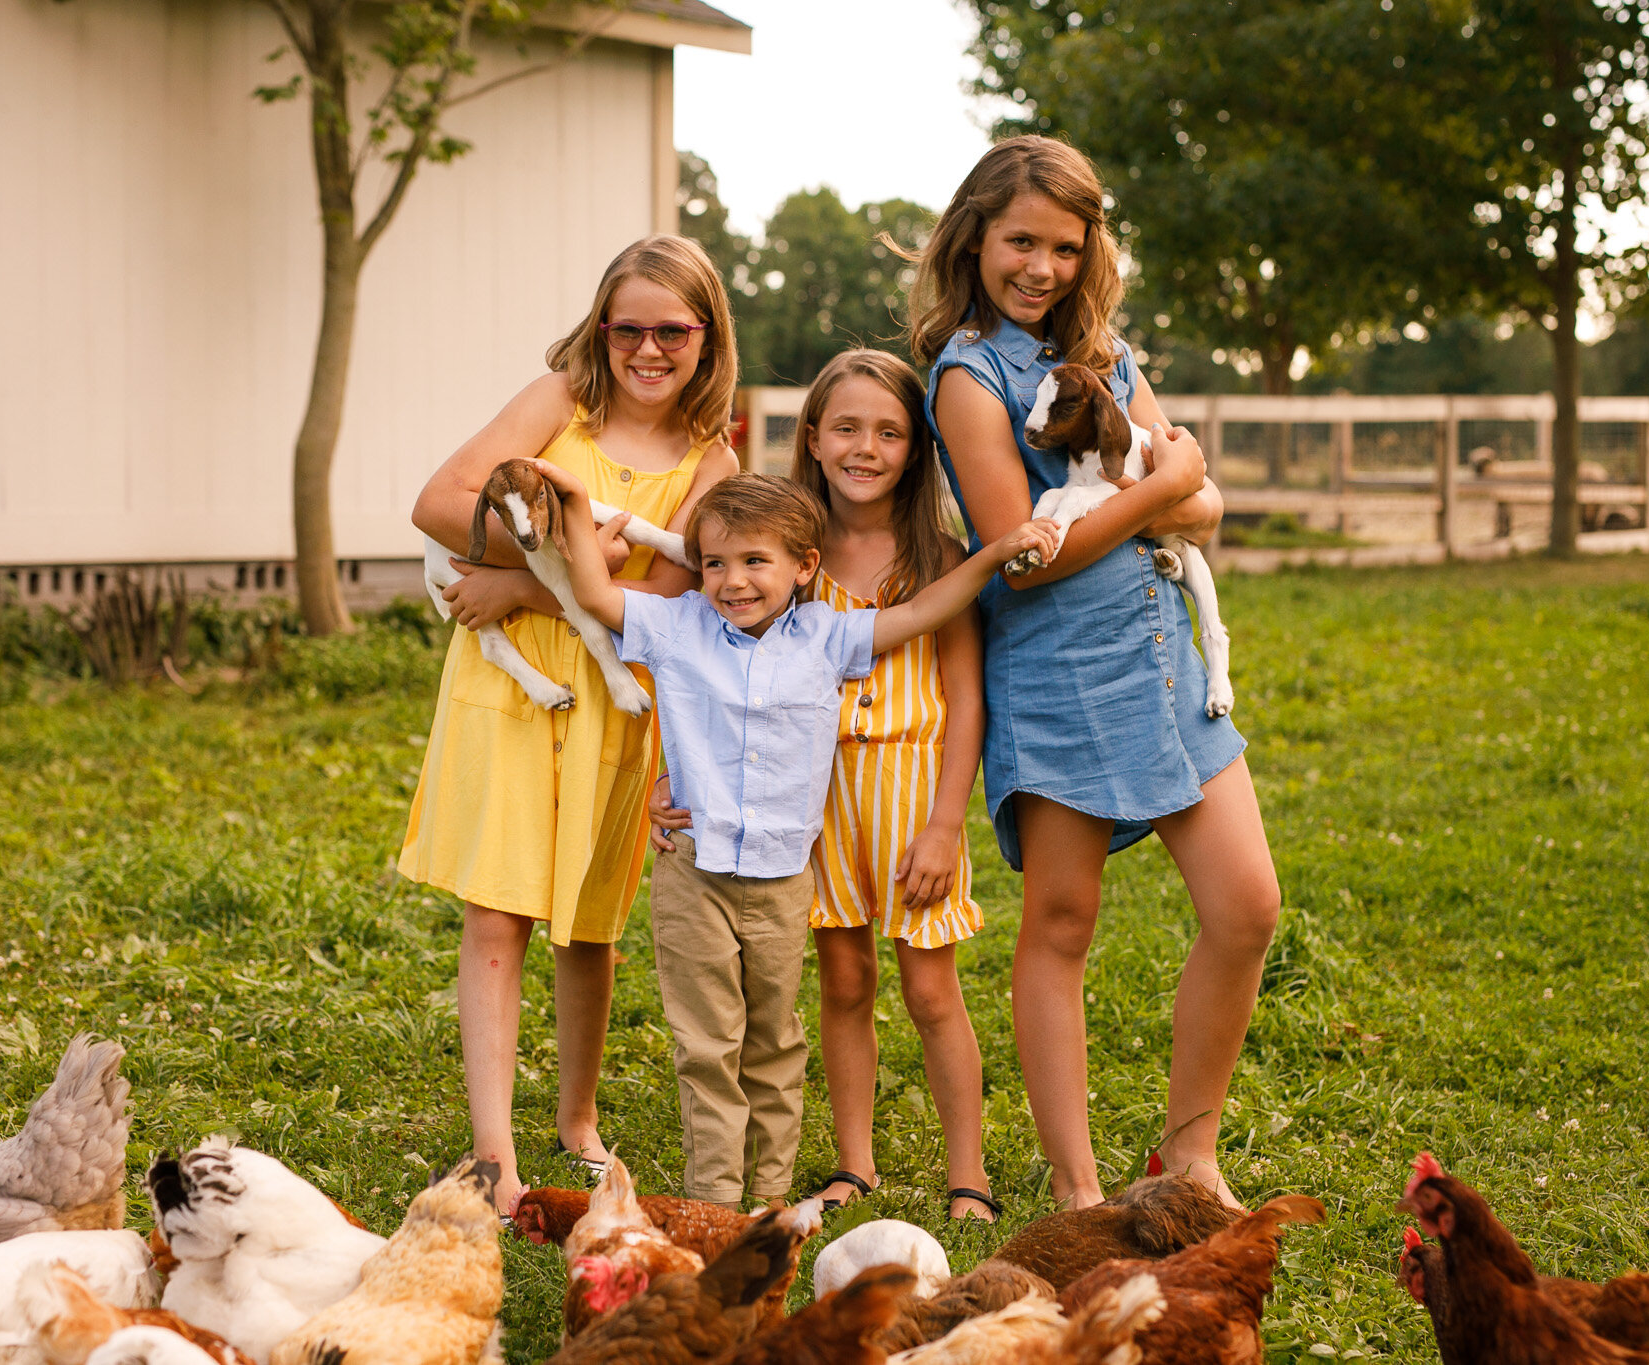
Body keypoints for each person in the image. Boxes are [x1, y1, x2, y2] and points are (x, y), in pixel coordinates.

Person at [911, 136, 1282, 1210]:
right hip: (1059, 673)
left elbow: (1205, 510)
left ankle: (1189, 1153)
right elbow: (1021, 556)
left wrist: (1181, 488)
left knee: (1246, 908)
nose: (1039, 267)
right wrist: (1168, 483)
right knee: (1061, 924)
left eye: (1064, 247)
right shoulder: (968, 380)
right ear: (973, 237)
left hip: (1165, 662)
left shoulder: (1110, 356)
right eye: (1019, 241)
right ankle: (1078, 1191)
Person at [532, 464, 1057, 1209]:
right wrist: (577, 506)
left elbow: (928, 610)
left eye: (755, 561)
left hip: (783, 879)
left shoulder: (828, 636)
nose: (732, 581)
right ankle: (712, 1198)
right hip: (694, 870)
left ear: (804, 566)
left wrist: (991, 554)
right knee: (707, 1042)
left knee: (775, 1038)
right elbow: (590, 593)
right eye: (714, 562)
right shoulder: (678, 624)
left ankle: (769, 1194)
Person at [399, 235, 740, 1215]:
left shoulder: (710, 462)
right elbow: (437, 501)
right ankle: (494, 1151)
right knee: (498, 911)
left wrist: (521, 585)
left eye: (669, 330)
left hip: (615, 702)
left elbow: (670, 603)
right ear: (600, 329)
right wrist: (556, 567)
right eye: (624, 327)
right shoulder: (560, 405)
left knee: (587, 925)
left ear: (705, 335)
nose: (646, 348)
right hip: (508, 695)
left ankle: (577, 1118)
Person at [648, 350, 999, 1221]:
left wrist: (947, 822)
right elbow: (712, 679)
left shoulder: (937, 556)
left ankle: (969, 1172)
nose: (866, 447)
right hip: (813, 800)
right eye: (846, 427)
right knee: (842, 981)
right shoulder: (772, 551)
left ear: (917, 448)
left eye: (889, 431)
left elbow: (966, 698)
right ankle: (854, 1162)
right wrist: (673, 775)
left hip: (913, 793)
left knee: (928, 986)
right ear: (813, 436)